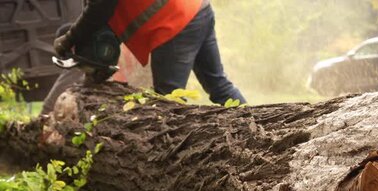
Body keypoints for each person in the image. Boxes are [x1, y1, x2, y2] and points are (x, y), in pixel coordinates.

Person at [46, 0, 245, 113]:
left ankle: (177, 168)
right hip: (197, 8)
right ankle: (263, 133)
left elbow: (99, 9)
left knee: (168, 103)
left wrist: (68, 39)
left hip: (174, 21)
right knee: (218, 85)